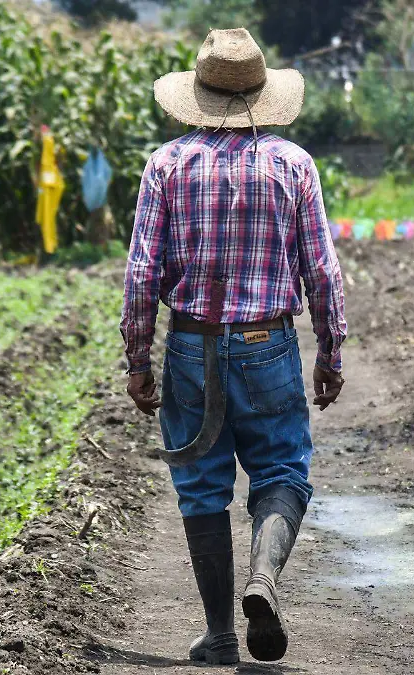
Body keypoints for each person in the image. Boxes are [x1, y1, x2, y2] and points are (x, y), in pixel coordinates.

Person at [119, 28, 348, 664]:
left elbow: (141, 273)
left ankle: (221, 633)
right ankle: (264, 581)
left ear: (198, 94)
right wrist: (330, 351)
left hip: (191, 345)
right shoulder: (292, 164)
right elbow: (322, 270)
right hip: (267, 343)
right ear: (261, 94)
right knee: (280, 468)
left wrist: (138, 359)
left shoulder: (166, 165)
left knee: (201, 485)